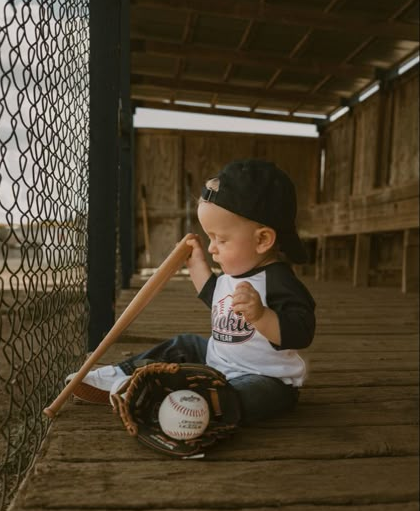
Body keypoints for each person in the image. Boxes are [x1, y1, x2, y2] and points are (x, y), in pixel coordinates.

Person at [66, 159, 316, 425]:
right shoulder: (233, 274)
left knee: (252, 396)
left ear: (262, 240)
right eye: (209, 239)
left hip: (265, 377)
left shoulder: (278, 280)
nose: (212, 248)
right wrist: (196, 262)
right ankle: (121, 376)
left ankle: (175, 404)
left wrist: (262, 316)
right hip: (217, 362)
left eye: (221, 239)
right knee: (183, 344)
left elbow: (302, 331)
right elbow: (214, 295)